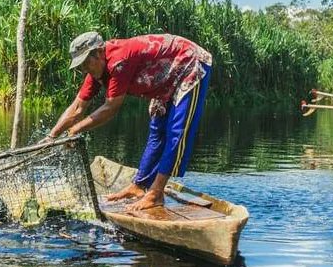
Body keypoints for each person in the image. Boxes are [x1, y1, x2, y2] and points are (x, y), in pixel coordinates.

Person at [46, 31, 212, 212]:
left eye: (86, 63)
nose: (85, 69)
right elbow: (77, 107)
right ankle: (139, 186)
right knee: (157, 131)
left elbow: (111, 108)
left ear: (100, 52)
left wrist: (75, 130)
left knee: (175, 134)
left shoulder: (119, 61)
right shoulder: (97, 71)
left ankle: (156, 194)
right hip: (165, 78)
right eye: (81, 66)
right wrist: (52, 136)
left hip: (188, 63)